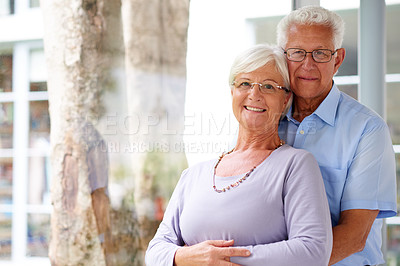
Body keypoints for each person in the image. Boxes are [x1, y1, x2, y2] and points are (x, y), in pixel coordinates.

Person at [145, 44, 332, 266]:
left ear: (285, 99)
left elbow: (313, 250)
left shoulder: (295, 165)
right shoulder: (194, 174)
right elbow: (155, 251)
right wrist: (184, 257)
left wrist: (216, 259)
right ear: (232, 92)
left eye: (268, 86)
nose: (255, 94)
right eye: (244, 84)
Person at [277, 5, 397, 266]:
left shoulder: (368, 129)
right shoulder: (266, 120)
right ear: (283, 57)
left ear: (337, 60)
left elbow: (354, 235)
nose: (307, 64)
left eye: (320, 53)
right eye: (297, 52)